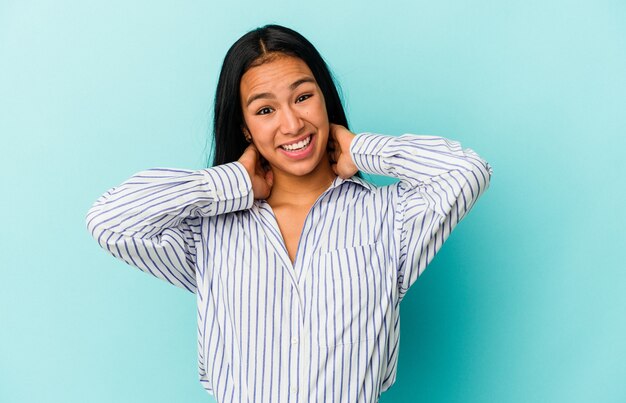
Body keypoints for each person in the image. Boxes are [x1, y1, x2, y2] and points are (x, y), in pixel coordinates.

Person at [86, 24, 492, 403]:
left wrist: (361, 148)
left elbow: (466, 171)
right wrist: (232, 183)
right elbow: (110, 220)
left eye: (302, 97)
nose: (292, 123)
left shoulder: (389, 218)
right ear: (244, 127)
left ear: (324, 99)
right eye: (265, 110)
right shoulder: (206, 233)